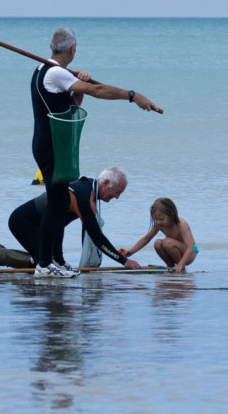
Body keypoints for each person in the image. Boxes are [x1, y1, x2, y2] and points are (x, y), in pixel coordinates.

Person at [30, 28, 160, 278]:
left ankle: (55, 260)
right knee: (56, 204)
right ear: (73, 49)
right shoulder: (55, 72)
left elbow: (71, 108)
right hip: (51, 145)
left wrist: (78, 86)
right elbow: (98, 91)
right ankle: (45, 264)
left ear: (50, 45)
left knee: (57, 203)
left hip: (52, 143)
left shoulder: (48, 72)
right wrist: (132, 96)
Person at [0, 168, 144, 274]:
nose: (117, 197)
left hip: (42, 225)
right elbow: (96, 236)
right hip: (24, 221)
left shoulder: (88, 189)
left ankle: (1, 251)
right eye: (117, 192)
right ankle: (0, 255)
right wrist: (124, 261)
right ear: (106, 183)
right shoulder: (84, 196)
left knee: (53, 263)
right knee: (46, 265)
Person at [124, 197, 198, 273]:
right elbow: (146, 239)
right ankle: (171, 266)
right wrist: (129, 252)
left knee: (167, 242)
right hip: (176, 249)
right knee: (157, 243)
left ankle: (181, 269)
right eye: (156, 219)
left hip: (190, 253)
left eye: (161, 219)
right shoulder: (159, 224)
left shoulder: (181, 224)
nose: (158, 222)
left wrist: (180, 264)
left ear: (171, 215)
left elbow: (190, 248)